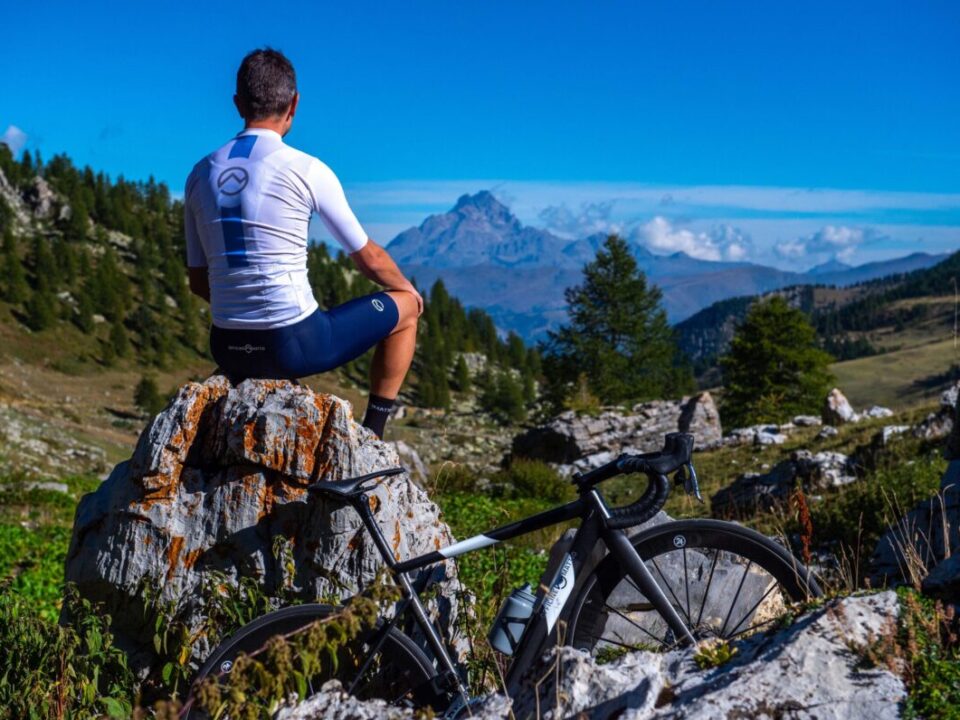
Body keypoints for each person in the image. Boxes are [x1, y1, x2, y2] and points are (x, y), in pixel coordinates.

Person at [184, 48, 421, 439]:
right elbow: (369, 259)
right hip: (293, 343)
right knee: (406, 309)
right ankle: (374, 436)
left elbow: (197, 281)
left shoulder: (199, 174)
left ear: (238, 103)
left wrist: (244, 311)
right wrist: (408, 290)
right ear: (294, 103)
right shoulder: (307, 168)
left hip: (226, 345)